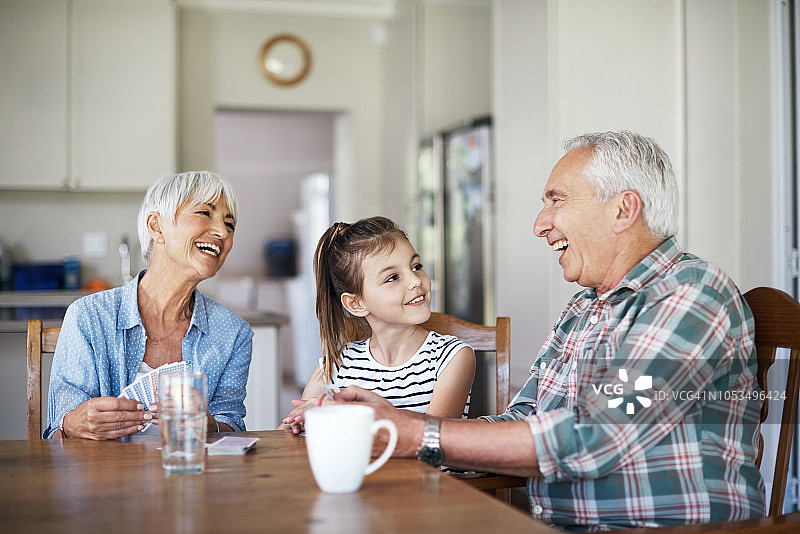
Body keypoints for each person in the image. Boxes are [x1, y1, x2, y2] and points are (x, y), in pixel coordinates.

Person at [329, 131, 765, 530]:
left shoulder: (689, 295)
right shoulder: (584, 307)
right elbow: (523, 420)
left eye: (557, 201)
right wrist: (396, 426)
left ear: (622, 209)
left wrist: (415, 434)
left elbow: (598, 435)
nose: (541, 224)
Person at [44, 171, 253, 440]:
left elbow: (231, 425)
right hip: (104, 477)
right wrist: (73, 422)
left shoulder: (234, 333)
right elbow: (58, 432)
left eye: (230, 224)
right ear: (156, 227)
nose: (222, 232)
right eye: (204, 213)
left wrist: (207, 423)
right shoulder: (88, 316)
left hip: (191, 477)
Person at [279, 216, 475, 433]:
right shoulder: (335, 366)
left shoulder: (453, 357)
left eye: (416, 266)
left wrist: (358, 412)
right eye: (393, 278)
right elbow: (287, 439)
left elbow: (435, 437)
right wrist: (299, 424)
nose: (416, 281)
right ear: (356, 303)